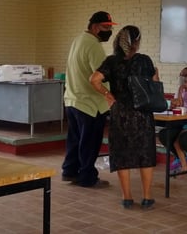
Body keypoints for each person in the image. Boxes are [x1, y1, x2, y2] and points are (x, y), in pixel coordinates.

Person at [90, 25, 158, 209]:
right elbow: (154, 84)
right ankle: (147, 197)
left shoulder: (112, 61)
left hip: (120, 114)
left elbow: (94, 80)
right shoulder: (145, 60)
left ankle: (127, 197)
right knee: (145, 154)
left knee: (122, 153)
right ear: (136, 42)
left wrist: (108, 95)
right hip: (142, 114)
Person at [61, 11, 117, 188]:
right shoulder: (93, 45)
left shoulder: (78, 40)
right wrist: (111, 93)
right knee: (90, 143)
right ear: (94, 27)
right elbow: (101, 75)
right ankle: (87, 177)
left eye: (110, 27)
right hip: (90, 104)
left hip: (72, 99)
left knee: (75, 140)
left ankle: (69, 171)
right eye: (105, 27)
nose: (108, 31)